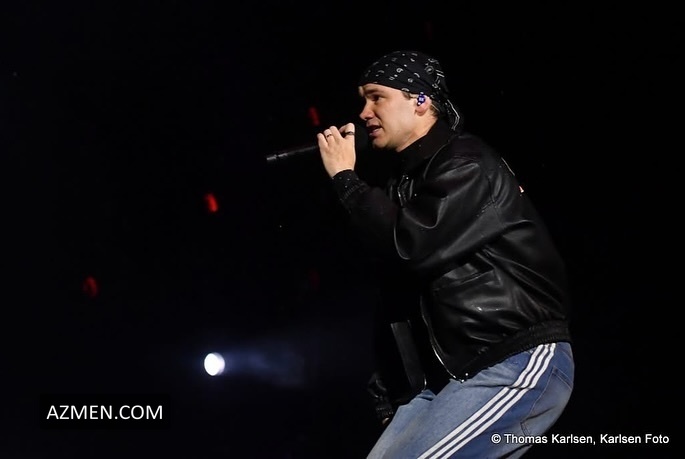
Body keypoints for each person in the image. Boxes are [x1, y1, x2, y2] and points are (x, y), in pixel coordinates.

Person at [315, 50, 575, 458]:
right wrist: (388, 390)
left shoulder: (466, 163)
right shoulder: (404, 184)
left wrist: (347, 180)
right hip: (444, 380)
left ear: (420, 100)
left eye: (377, 97)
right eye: (362, 100)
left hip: (510, 358)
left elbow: (408, 247)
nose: (363, 113)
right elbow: (399, 294)